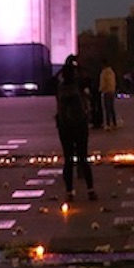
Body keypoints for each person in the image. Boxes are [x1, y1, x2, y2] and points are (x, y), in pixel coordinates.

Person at [55, 63, 96, 201]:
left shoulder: (60, 88)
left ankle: (69, 192)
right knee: (83, 158)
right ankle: (90, 190)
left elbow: (50, 81)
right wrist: (79, 68)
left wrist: (63, 69)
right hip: (80, 127)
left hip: (64, 128)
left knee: (68, 160)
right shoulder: (77, 86)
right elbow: (90, 78)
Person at [99, 62, 120, 129]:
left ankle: (108, 124)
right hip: (112, 91)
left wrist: (100, 89)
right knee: (111, 108)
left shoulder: (104, 73)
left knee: (107, 108)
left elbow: (103, 83)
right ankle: (114, 123)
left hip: (106, 91)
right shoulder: (112, 72)